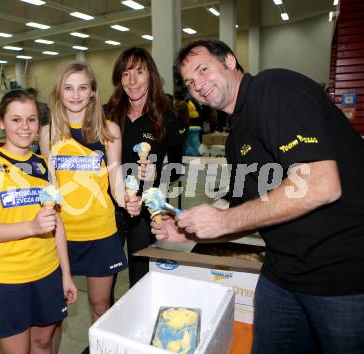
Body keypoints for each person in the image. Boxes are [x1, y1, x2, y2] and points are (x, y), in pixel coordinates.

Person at [152, 39, 364, 354]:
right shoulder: (235, 139)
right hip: (282, 275)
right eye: (190, 82)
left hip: (342, 277)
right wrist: (187, 233)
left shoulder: (273, 89)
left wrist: (224, 219)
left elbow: (321, 183)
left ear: (230, 61)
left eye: (204, 69)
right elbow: (244, 213)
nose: (199, 85)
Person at [39, 61, 141, 350]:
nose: (75, 95)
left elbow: (116, 183)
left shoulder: (108, 131)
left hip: (101, 232)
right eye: (68, 88)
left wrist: (129, 203)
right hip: (61, 236)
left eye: (83, 87)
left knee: (99, 305)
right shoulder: (48, 134)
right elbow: (51, 187)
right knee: (54, 315)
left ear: (93, 92)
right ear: (59, 92)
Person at [0, 89, 78, 354]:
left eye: (31, 119)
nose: (25, 127)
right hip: (8, 278)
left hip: (48, 271)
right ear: (0, 122)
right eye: (16, 120)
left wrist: (66, 275)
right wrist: (31, 227)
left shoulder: (43, 165)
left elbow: (57, 224)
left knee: (43, 343)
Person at [106, 47, 186, 287]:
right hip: (109, 209)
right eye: (126, 73)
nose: (133, 81)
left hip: (146, 213)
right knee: (103, 282)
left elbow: (177, 167)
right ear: (119, 79)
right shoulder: (108, 115)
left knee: (142, 281)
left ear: (150, 75)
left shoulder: (168, 118)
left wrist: (158, 172)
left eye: (139, 72)